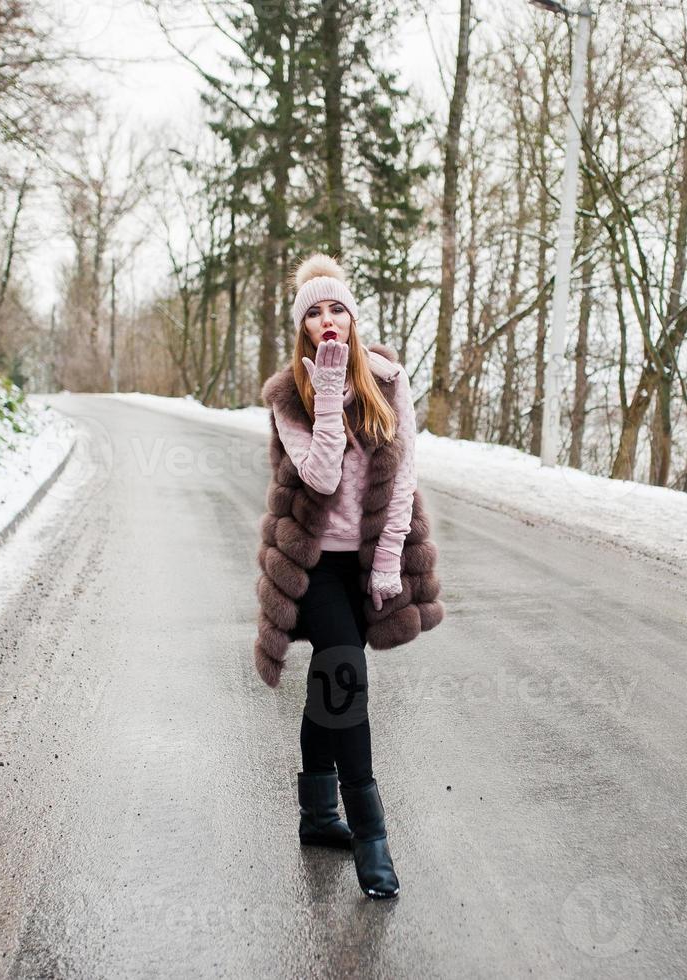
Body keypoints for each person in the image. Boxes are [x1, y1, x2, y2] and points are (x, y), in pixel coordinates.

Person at [254, 254, 445, 901]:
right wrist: (328, 390)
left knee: (327, 684)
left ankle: (316, 818)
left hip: (368, 558)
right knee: (344, 675)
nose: (327, 319)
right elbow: (323, 477)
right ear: (302, 328)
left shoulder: (390, 380)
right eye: (314, 312)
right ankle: (371, 836)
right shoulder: (289, 394)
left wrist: (389, 560)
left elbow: (404, 477)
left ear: (352, 318)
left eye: (336, 308)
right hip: (312, 564)